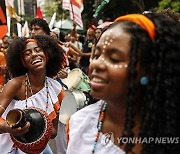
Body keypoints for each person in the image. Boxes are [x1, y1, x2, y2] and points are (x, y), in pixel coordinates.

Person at [66, 13, 180, 154]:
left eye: (114, 59)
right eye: (97, 55)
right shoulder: (79, 123)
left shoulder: (170, 132)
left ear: (149, 70)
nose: (96, 64)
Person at [0, 35, 65, 153]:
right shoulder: (15, 84)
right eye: (27, 53)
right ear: (23, 62)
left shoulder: (56, 89)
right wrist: (8, 128)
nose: (34, 54)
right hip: (10, 148)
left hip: (38, 148)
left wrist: (37, 127)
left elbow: (54, 132)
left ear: (46, 54)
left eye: (38, 50)